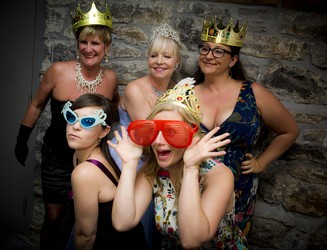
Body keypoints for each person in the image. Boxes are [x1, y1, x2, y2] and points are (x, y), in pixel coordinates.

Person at [14, 2, 119, 249]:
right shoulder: (58, 71)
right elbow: (37, 105)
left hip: (90, 161)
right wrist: (21, 139)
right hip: (56, 158)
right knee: (53, 217)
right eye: (84, 42)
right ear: (77, 43)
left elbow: (113, 113)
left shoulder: (112, 79)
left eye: (95, 43)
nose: (89, 48)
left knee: (80, 219)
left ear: (107, 47)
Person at [192, 16, 300, 237]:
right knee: (192, 237)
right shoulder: (186, 91)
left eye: (219, 51)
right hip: (194, 183)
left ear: (233, 60)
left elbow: (289, 131)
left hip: (238, 188)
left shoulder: (253, 93)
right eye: (205, 48)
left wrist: (261, 163)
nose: (209, 56)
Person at [109, 80, 248, 249]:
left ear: (194, 137)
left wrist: (190, 169)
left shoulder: (219, 175)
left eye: (172, 132)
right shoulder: (153, 170)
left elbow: (192, 241)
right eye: (155, 130)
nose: (159, 142)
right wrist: (129, 164)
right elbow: (122, 222)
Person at [108, 23, 183, 249]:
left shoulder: (178, 89)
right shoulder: (134, 89)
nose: (159, 61)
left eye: (166, 56)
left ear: (177, 62)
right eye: (153, 55)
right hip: (133, 152)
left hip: (160, 153)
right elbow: (152, 137)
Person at [63, 93, 147, 249]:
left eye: (87, 122)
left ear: (103, 132)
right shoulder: (99, 155)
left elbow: (86, 236)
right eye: (71, 117)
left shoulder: (85, 172)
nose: (75, 126)